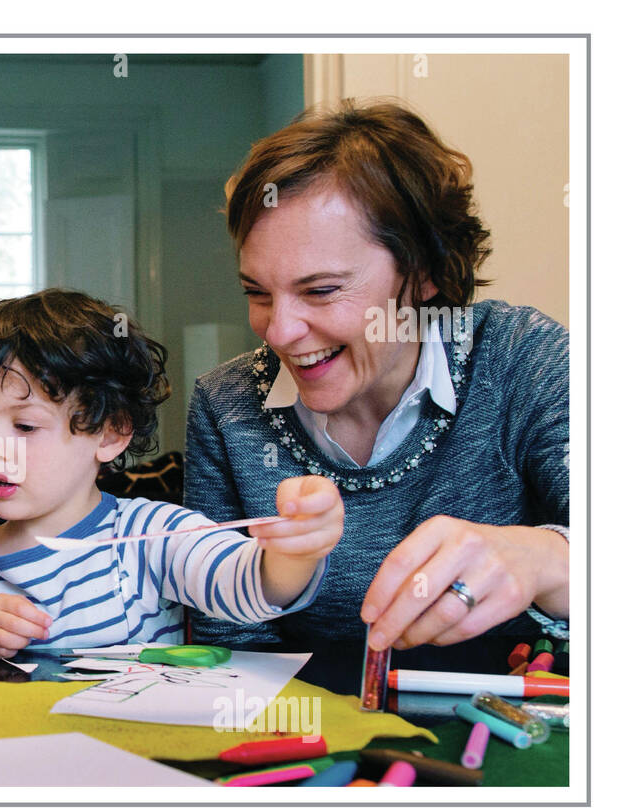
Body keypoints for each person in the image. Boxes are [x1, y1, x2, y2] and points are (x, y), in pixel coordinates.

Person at [183, 100, 569, 653]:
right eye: (257, 293)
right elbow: (228, 645)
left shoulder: (522, 358)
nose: (280, 331)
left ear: (425, 272)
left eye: (321, 290)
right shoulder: (226, 405)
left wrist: (549, 558)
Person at [0, 290, 344, 658]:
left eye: (26, 426)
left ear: (111, 433)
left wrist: (296, 552)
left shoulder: (153, 535)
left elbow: (250, 586)